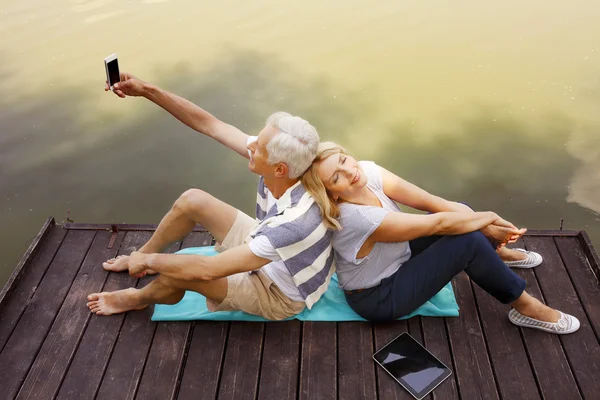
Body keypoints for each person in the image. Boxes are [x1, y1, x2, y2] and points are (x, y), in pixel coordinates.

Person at [87, 73, 335, 320]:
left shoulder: (294, 221)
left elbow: (207, 269)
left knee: (183, 271)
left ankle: (137, 298)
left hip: (279, 293)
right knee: (192, 200)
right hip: (266, 245)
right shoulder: (293, 166)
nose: (250, 147)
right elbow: (211, 125)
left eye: (257, 148)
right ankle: (137, 259)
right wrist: (146, 90)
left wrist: (152, 261)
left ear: (278, 169)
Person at [300, 142, 580, 334]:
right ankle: (527, 309)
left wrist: (482, 223)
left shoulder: (367, 171)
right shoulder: (355, 218)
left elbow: (433, 203)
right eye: (336, 176)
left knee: (461, 210)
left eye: (344, 160)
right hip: (378, 296)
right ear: (331, 193)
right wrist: (490, 218)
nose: (349, 171)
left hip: (397, 255)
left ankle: (497, 254)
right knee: (465, 238)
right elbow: (440, 224)